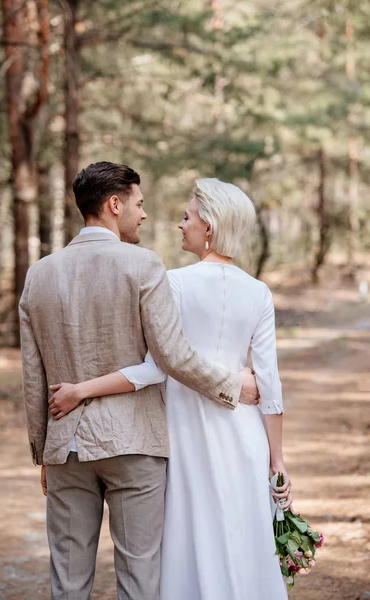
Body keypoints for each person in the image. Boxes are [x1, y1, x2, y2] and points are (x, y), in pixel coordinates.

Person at [19, 162, 260, 600]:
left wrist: (43, 450)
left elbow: (32, 375)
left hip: (65, 449)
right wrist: (232, 385)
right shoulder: (144, 265)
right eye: (139, 203)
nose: (144, 215)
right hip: (134, 445)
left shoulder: (39, 274)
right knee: (139, 577)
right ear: (115, 204)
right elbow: (172, 356)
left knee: (68, 580)